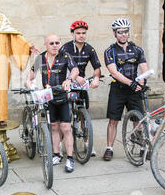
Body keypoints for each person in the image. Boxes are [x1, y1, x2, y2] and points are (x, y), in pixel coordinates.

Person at [26, 34, 79, 172]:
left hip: (62, 95)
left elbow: (75, 70)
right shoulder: (40, 58)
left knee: (66, 127)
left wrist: (69, 80)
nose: (55, 45)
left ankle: (70, 158)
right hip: (48, 97)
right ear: (46, 45)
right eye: (52, 43)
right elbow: (30, 76)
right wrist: (30, 86)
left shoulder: (65, 56)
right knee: (54, 127)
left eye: (57, 42)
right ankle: (56, 154)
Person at [103, 18, 149, 161]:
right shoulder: (110, 51)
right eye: (120, 32)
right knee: (113, 120)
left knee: (139, 120)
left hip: (134, 90)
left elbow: (144, 68)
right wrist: (132, 83)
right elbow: (114, 72)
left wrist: (141, 81)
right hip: (118, 89)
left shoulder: (137, 49)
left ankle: (142, 145)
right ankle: (109, 148)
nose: (123, 34)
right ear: (115, 33)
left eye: (126, 32)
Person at [61, 20, 102, 156]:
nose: (81, 36)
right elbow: (61, 65)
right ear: (72, 34)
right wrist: (74, 76)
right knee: (65, 115)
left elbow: (97, 67)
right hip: (67, 82)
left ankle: (87, 142)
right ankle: (61, 144)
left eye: (83, 33)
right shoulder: (65, 48)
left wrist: (96, 78)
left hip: (81, 85)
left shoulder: (89, 49)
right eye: (78, 33)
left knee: (85, 114)